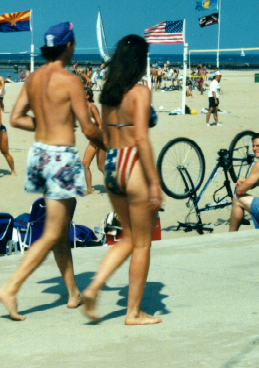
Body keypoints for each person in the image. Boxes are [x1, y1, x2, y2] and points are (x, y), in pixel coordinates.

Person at [0, 22, 103, 321]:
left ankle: (72, 292)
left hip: (39, 155)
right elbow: (88, 127)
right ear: (68, 46)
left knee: (61, 225)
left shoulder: (34, 78)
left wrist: (43, 125)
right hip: (61, 158)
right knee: (55, 229)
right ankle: (11, 288)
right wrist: (108, 137)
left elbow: (16, 118)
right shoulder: (70, 81)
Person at [81, 34, 162, 325]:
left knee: (128, 238)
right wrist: (154, 182)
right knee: (142, 244)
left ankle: (93, 287)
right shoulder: (140, 92)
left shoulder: (108, 93)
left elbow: (101, 134)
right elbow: (141, 137)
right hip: (133, 164)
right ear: (139, 63)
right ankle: (133, 313)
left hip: (112, 164)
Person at [82, 88, 105, 194]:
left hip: (100, 139)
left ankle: (116, 185)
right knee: (85, 164)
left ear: (87, 96)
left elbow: (100, 124)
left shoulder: (92, 107)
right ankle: (89, 189)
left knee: (101, 167)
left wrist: (97, 140)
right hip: (92, 141)